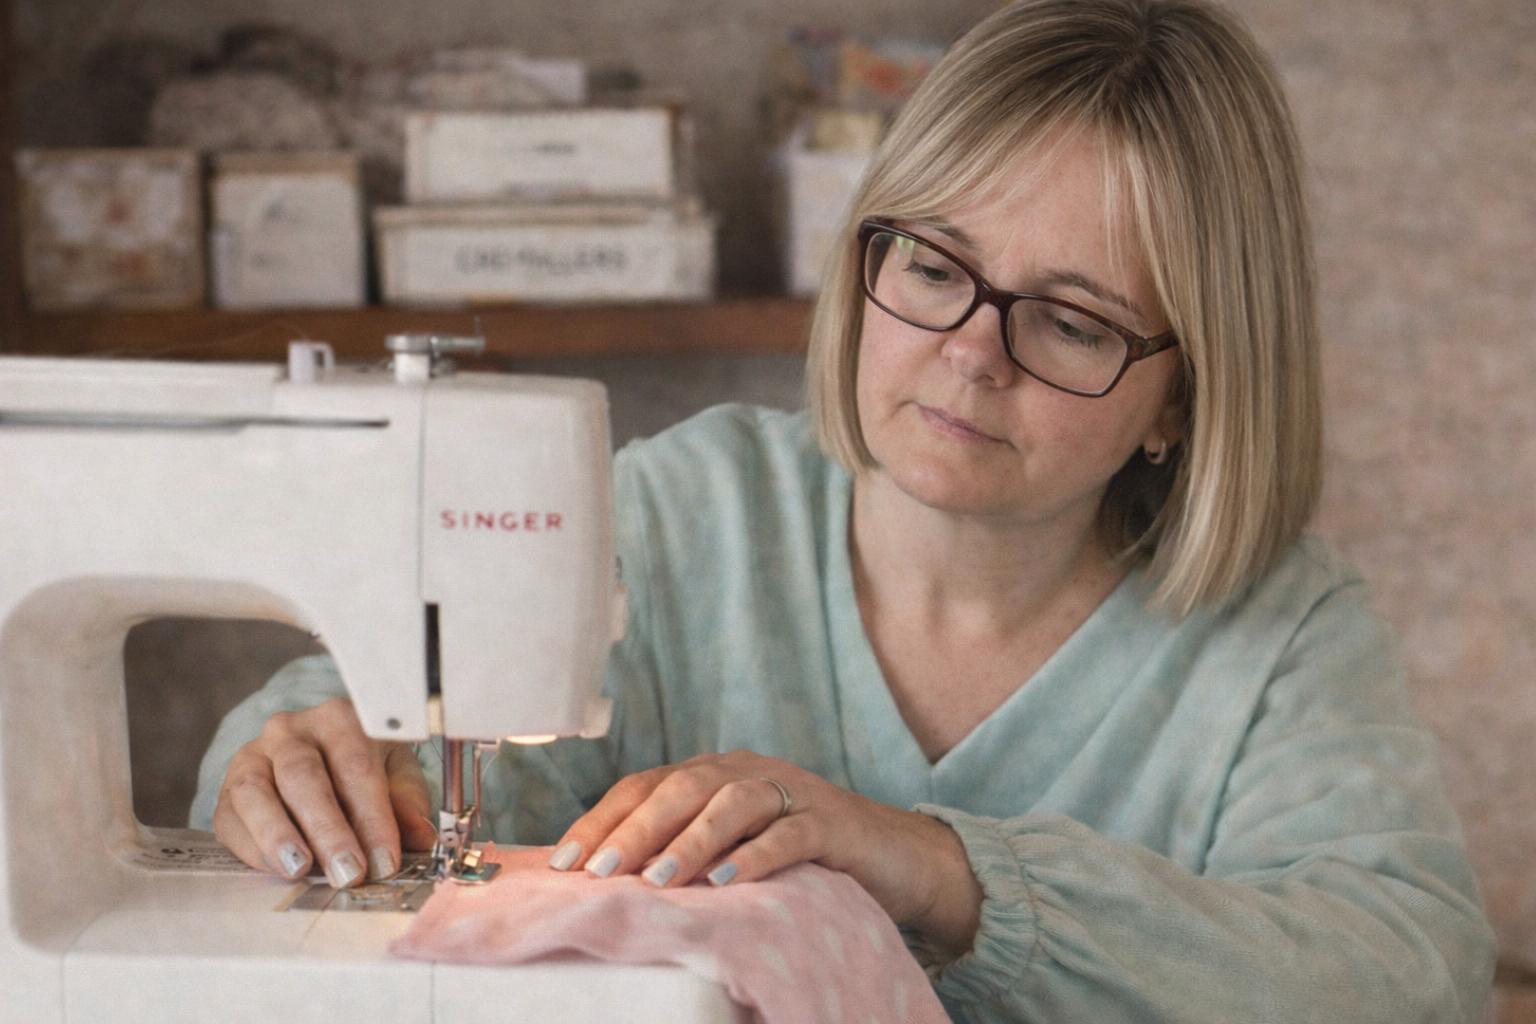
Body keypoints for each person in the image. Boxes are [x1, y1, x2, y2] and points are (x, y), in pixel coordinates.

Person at [192, 0, 1497, 1019]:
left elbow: (1412, 974)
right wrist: (308, 765)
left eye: (1072, 321)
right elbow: (340, 739)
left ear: (1182, 396)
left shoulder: (1276, 635)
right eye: (932, 265)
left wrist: (934, 868)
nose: (969, 354)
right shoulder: (686, 515)